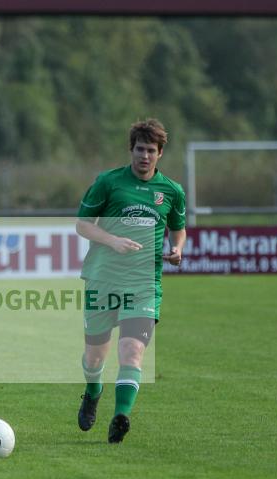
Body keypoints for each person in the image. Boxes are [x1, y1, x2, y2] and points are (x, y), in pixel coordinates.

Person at [75, 118, 186, 443]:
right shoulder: (108, 183)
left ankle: (120, 416)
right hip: (102, 280)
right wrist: (112, 240)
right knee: (95, 358)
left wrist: (177, 248)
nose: (144, 156)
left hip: (143, 285)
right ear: (131, 150)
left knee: (132, 351)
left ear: (160, 153)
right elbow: (83, 225)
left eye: (151, 150)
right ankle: (93, 390)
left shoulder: (171, 191)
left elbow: (178, 229)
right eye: (140, 149)